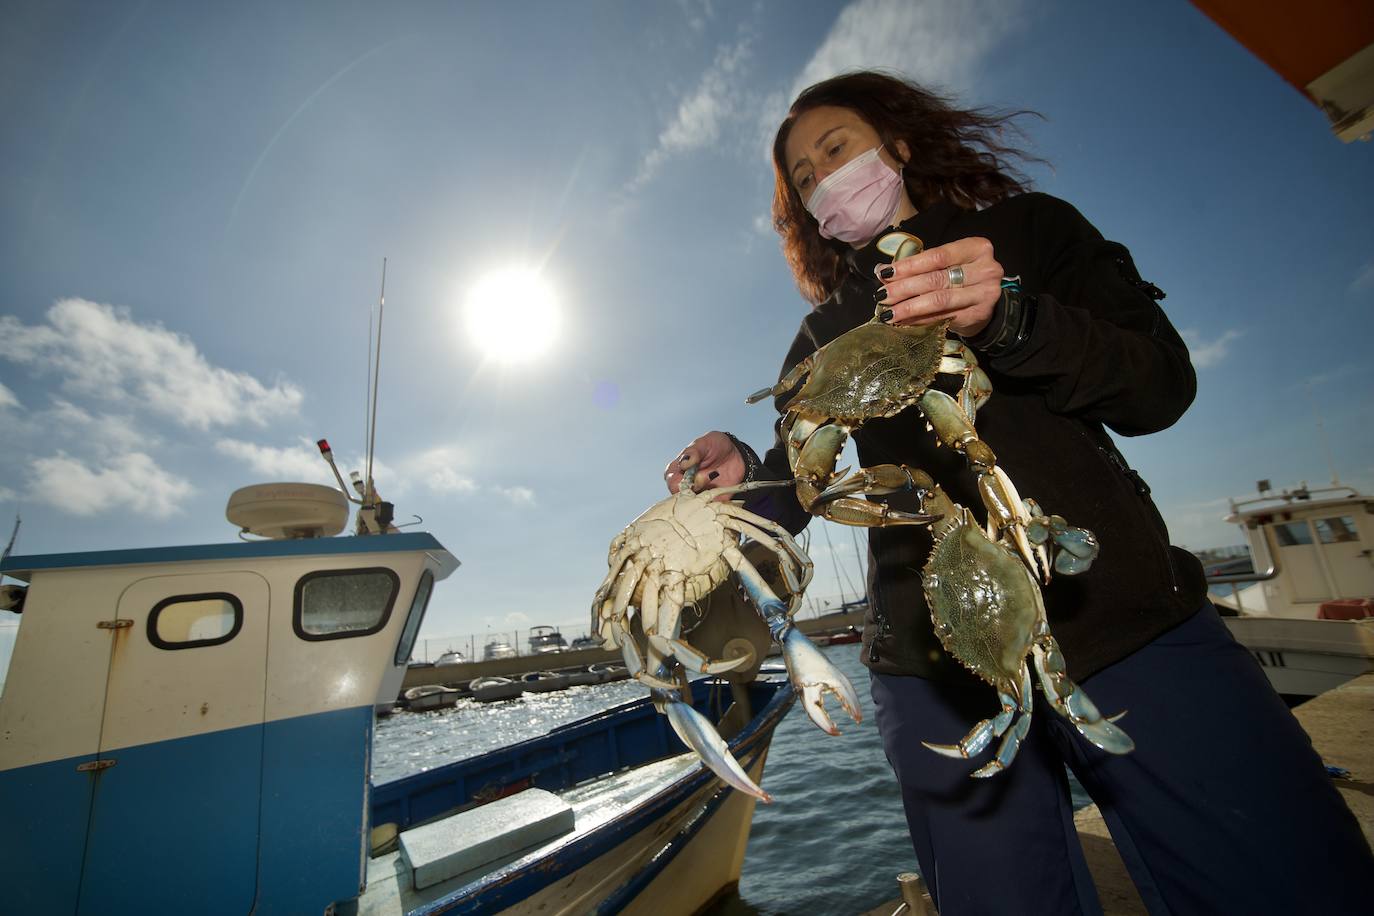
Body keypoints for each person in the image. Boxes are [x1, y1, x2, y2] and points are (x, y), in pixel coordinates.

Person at [663, 71, 1374, 915]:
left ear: (898, 144)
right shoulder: (824, 335)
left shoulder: (1032, 230)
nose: (824, 178)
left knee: (1293, 883)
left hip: (1124, 618)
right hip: (933, 667)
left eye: (835, 148)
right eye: (805, 178)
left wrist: (1010, 317)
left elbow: (1160, 385)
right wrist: (740, 477)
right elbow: (794, 489)